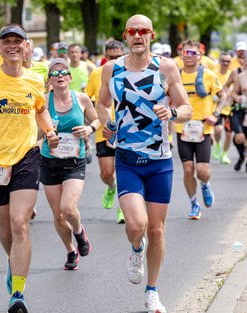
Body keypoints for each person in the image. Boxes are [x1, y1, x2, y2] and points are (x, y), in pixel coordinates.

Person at [97, 14, 192, 313]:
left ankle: (152, 292)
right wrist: (105, 123)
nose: (138, 35)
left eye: (143, 31)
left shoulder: (165, 67)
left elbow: (187, 107)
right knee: (137, 225)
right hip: (126, 159)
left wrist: (173, 114)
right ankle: (136, 250)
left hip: (160, 161)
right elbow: (101, 104)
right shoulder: (111, 69)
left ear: (151, 35)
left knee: (157, 230)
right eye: (132, 31)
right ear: (126, 36)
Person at [0, 24, 59, 313]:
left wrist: (50, 131)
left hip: (27, 156)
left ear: (26, 46)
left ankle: (18, 293)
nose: (13, 46)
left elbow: (41, 109)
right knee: (5, 228)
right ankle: (13, 261)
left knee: (20, 223)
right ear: (0, 47)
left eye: (18, 41)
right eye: (7, 42)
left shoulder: (33, 81)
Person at [41, 58, 98, 270]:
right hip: (49, 161)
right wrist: (47, 136)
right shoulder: (43, 101)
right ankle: (70, 250)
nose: (59, 76)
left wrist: (89, 129)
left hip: (74, 161)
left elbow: (96, 120)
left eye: (63, 72)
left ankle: (79, 231)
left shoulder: (81, 99)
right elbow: (36, 132)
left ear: (70, 77)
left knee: (68, 208)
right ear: (50, 80)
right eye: (54, 74)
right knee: (57, 214)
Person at [175, 40, 223, 219]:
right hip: (183, 128)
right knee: (188, 169)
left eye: (193, 53)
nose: (189, 56)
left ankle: (205, 185)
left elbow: (223, 95)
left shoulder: (209, 75)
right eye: (186, 53)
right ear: (181, 55)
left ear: (199, 56)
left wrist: (216, 114)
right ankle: (194, 204)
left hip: (203, 128)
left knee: (202, 171)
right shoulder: (176, 76)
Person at [85, 40, 126, 223]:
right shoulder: (97, 74)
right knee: (107, 173)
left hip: (127, 131)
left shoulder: (131, 73)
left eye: (118, 57)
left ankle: (123, 209)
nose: (115, 61)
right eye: (111, 57)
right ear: (105, 57)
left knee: (125, 172)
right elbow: (88, 101)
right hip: (105, 130)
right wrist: (93, 123)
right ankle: (111, 187)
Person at [212, 52, 233, 164]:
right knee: (218, 129)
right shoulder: (213, 74)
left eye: (228, 61)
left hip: (229, 108)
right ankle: (217, 144)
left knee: (229, 134)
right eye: (223, 60)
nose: (225, 63)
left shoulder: (232, 74)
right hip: (217, 107)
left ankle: (225, 154)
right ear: (219, 61)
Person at [230, 53, 247, 171]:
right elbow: (233, 92)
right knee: (238, 138)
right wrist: (237, 98)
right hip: (239, 110)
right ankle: (241, 156)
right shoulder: (240, 75)